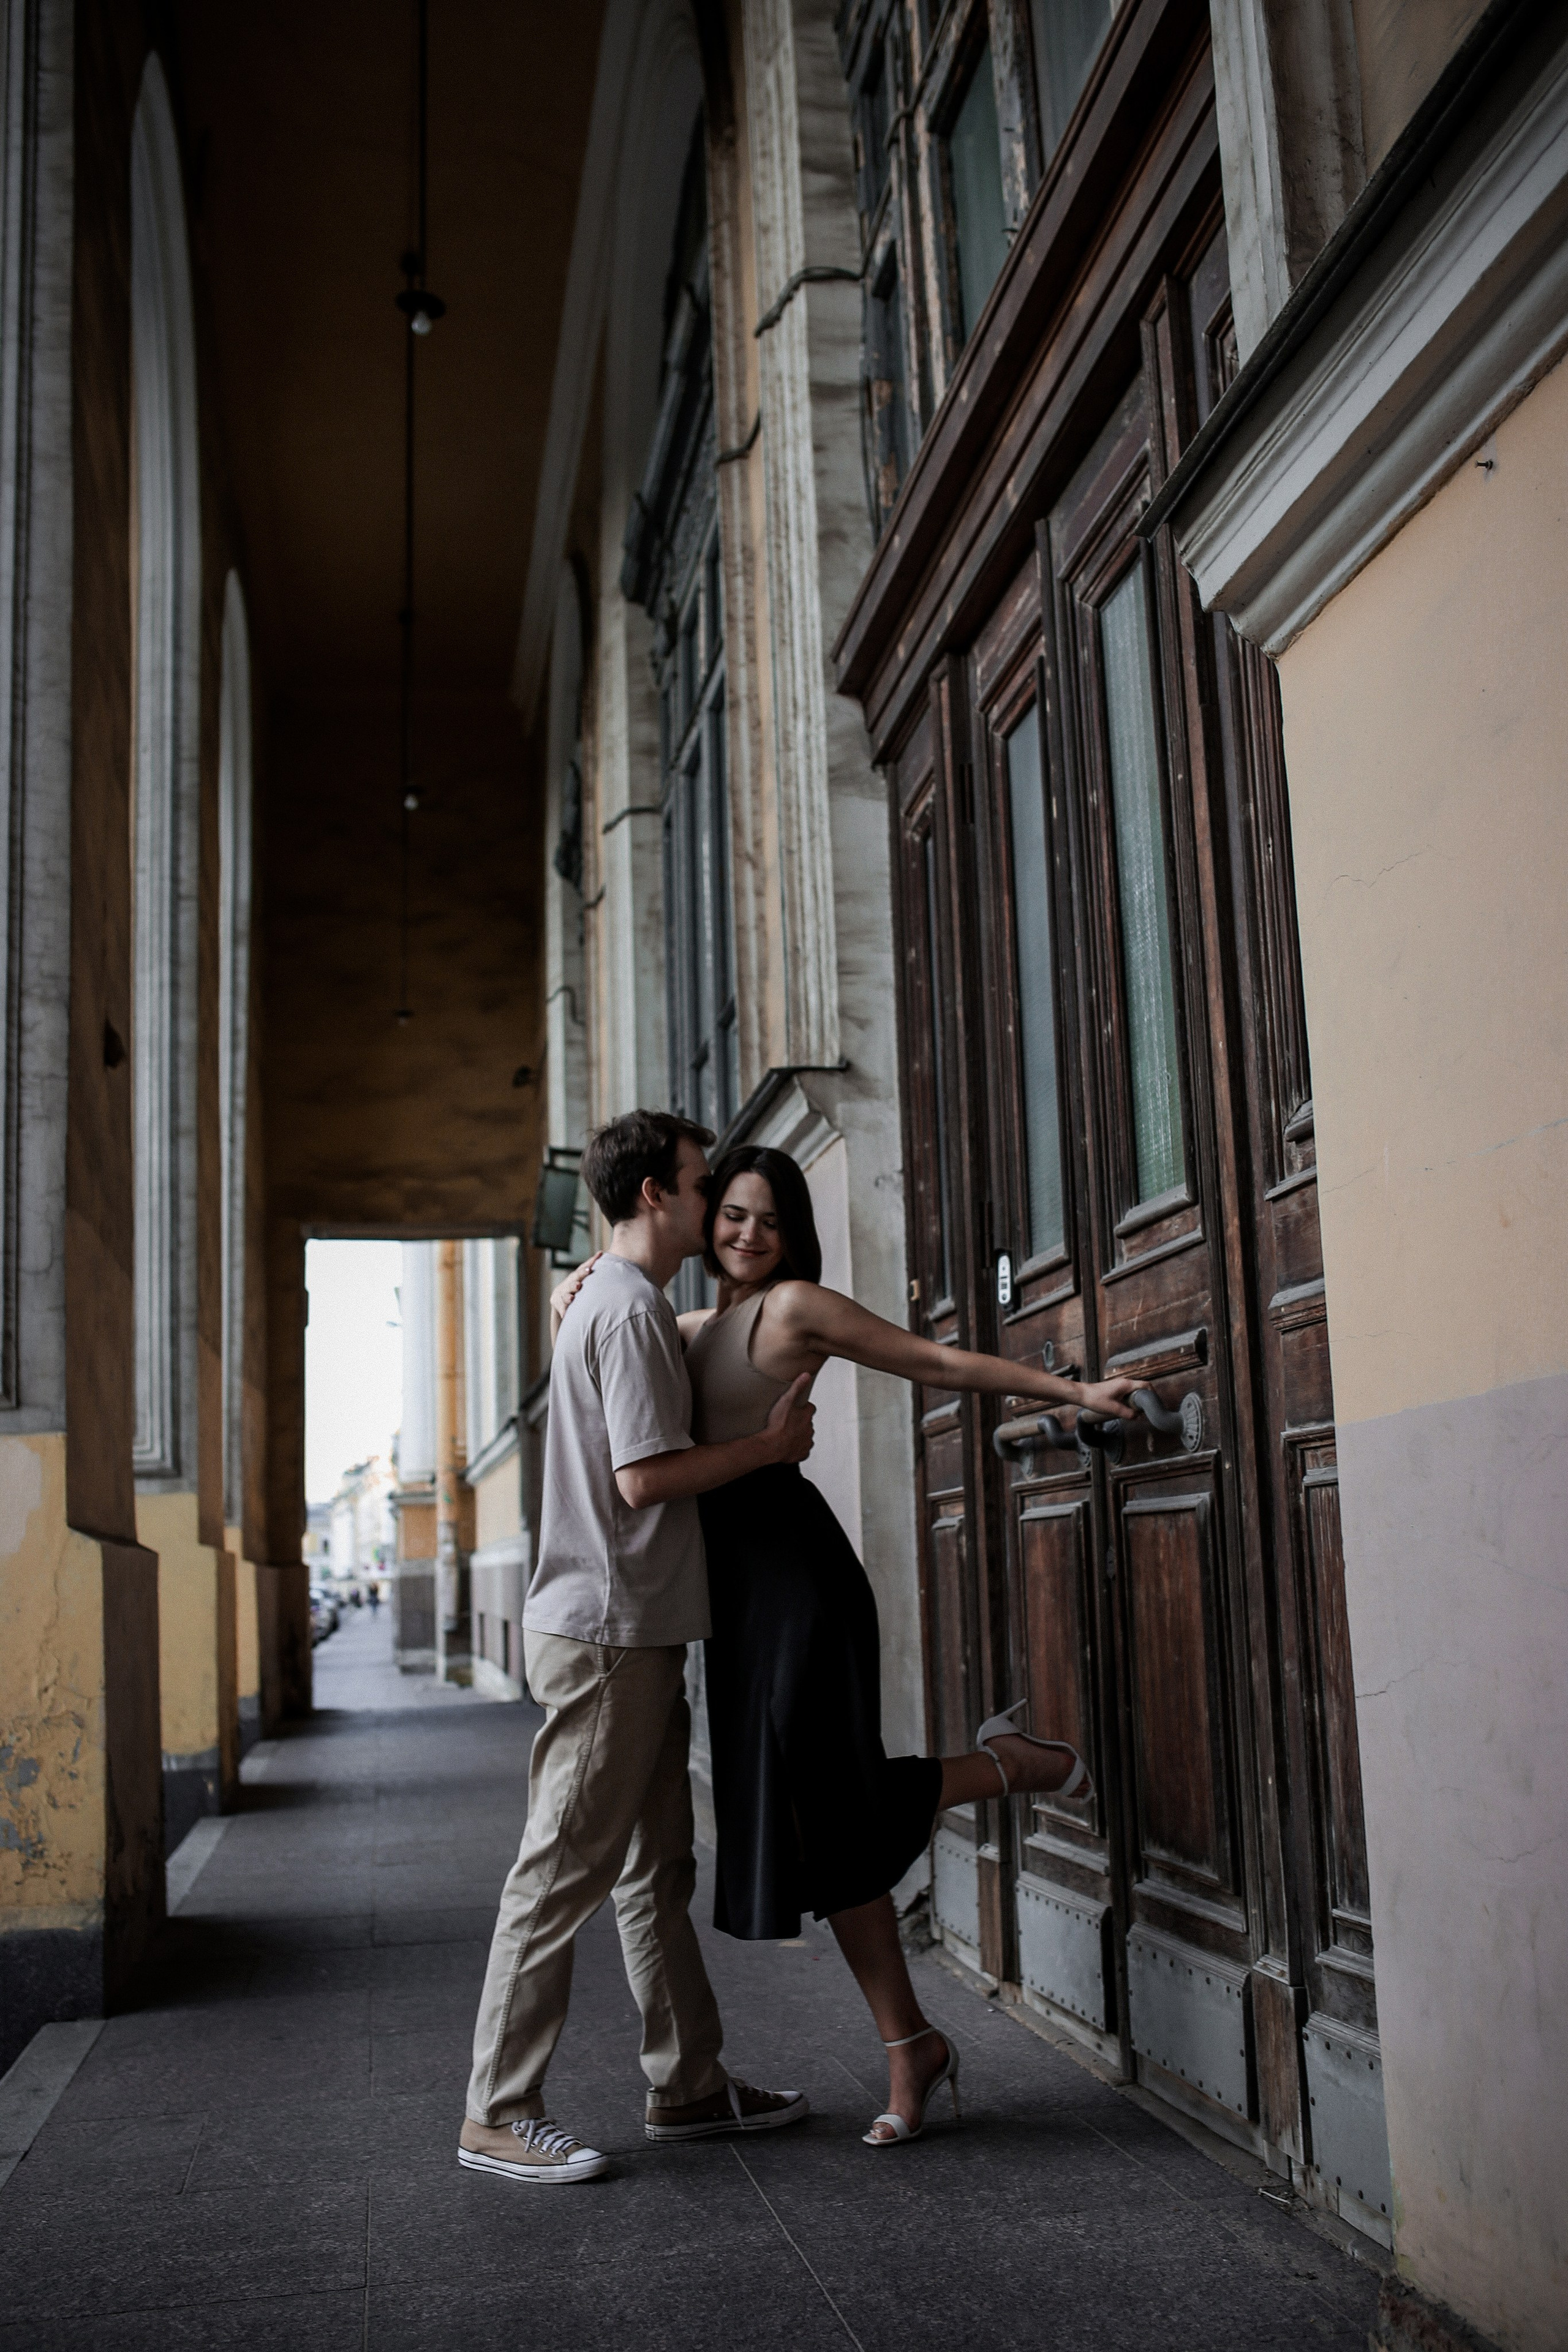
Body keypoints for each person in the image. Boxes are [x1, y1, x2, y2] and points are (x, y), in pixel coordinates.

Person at [554, 1146, 1138, 2150]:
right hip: (728, 1603)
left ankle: (1005, 1769)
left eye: (767, 1221)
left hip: (796, 1584)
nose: (745, 1233)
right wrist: (580, 1284)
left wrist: (1073, 1398)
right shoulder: (683, 1322)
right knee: (817, 1824)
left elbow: (936, 1362)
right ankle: (910, 2042)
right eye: (731, 1213)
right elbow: (617, 1353)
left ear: (794, 1234)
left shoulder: (796, 1309)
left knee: (825, 1807)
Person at [459, 1110, 818, 2188]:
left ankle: (689, 2085)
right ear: (657, 1195)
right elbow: (643, 1478)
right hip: (611, 1633)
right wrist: (769, 1448)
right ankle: (497, 2113)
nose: (715, 1204)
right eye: (704, 1185)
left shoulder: (621, 1298)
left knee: (652, 1872)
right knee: (561, 1871)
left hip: (637, 1627)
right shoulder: (622, 1311)